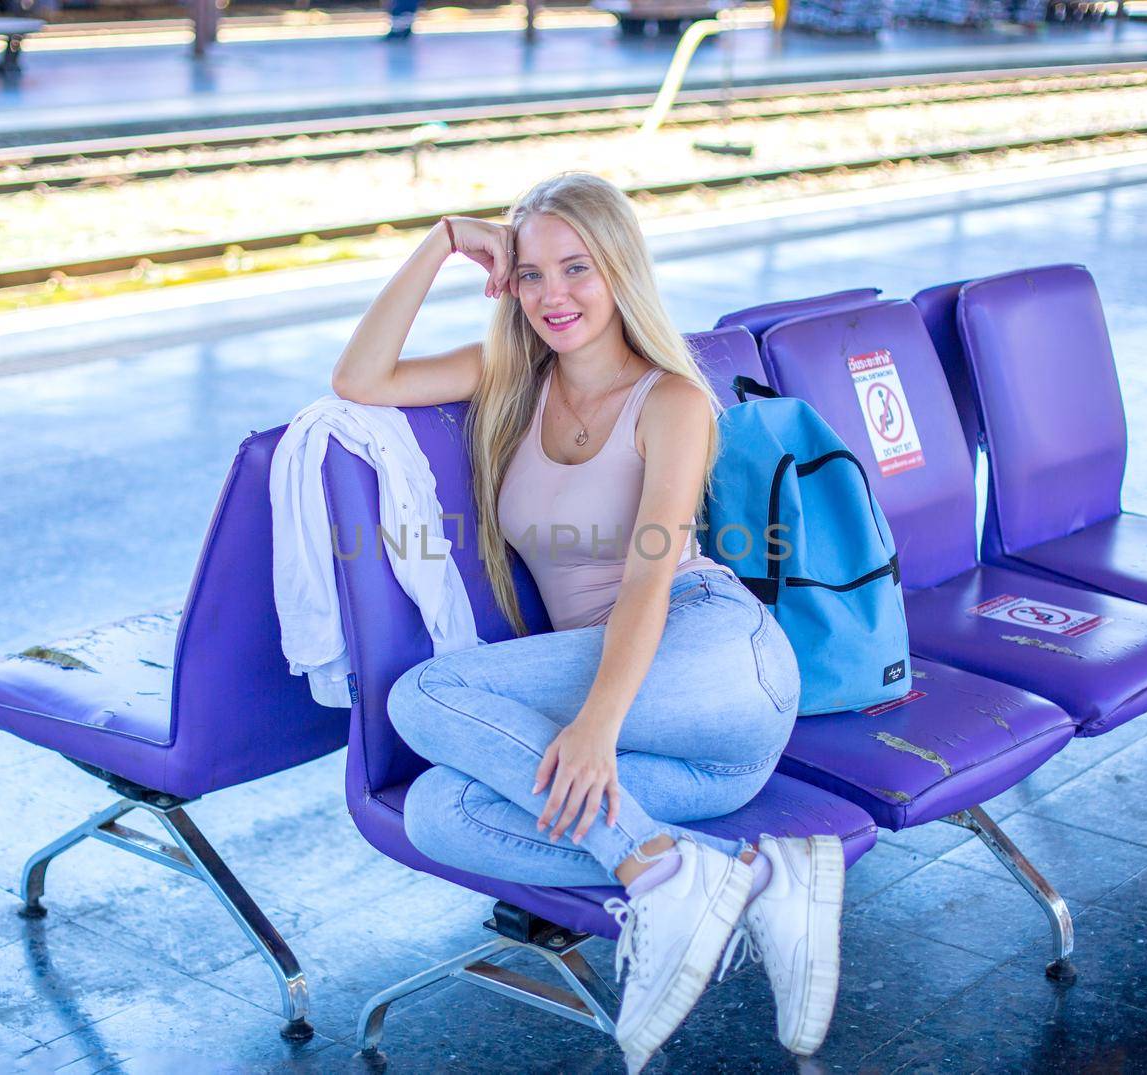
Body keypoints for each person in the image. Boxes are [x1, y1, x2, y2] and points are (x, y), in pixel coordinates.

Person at [329, 172, 844, 1071]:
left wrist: (597, 723)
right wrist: (445, 237)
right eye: (529, 274)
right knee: (442, 809)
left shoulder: (673, 401)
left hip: (717, 658)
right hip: (695, 768)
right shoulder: (511, 378)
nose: (552, 296)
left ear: (620, 270)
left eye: (576, 268)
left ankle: (665, 877)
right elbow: (359, 377)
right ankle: (737, 872)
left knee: (422, 697)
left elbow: (650, 576)